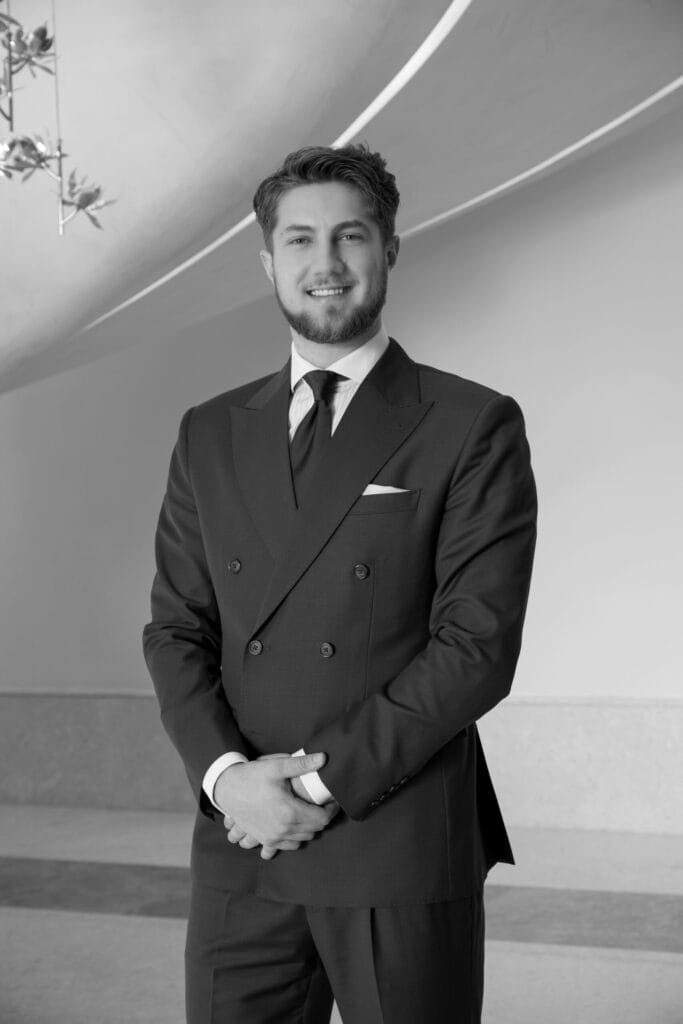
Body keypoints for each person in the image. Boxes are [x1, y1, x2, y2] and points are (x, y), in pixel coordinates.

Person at [142, 143, 537, 1023]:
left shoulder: (470, 422)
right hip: (242, 842)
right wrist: (228, 780)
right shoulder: (209, 432)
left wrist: (311, 789)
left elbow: (475, 649)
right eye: (299, 241)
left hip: (392, 841)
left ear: (389, 247)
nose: (324, 265)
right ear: (267, 260)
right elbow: (176, 630)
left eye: (349, 237)